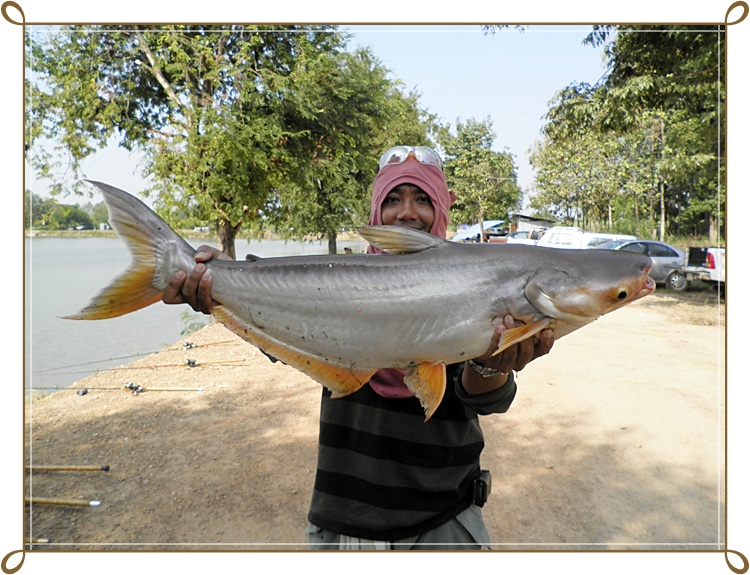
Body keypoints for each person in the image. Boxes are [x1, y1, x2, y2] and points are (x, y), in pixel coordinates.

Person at [162, 145, 555, 550]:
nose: (407, 212)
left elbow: (485, 400)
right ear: (375, 212)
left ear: (440, 210)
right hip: (344, 514)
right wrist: (227, 282)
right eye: (393, 199)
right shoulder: (333, 280)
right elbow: (286, 338)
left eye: (423, 199)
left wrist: (492, 366)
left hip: (445, 516)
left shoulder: (475, 282)